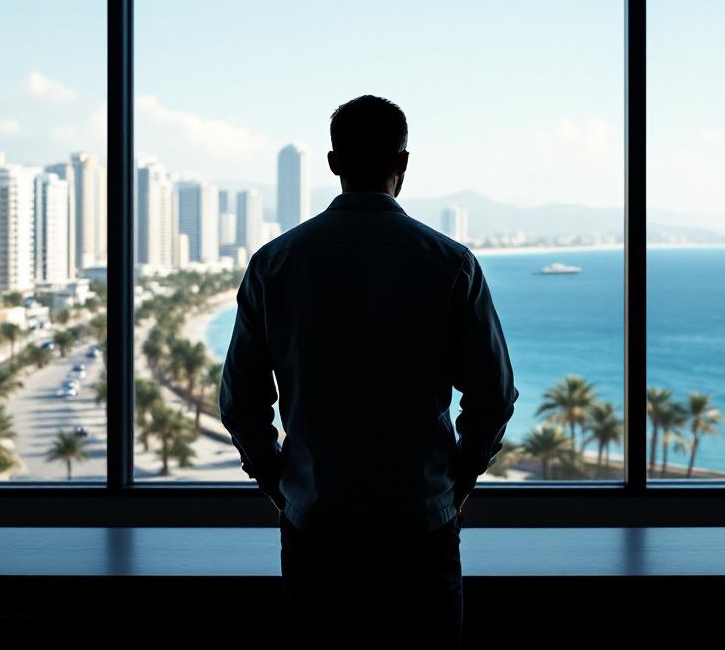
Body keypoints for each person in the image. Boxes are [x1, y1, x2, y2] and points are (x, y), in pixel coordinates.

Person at [219, 94, 519, 649]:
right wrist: (457, 483)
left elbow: (241, 402)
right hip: (420, 530)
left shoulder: (275, 263)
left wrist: (281, 487)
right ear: (402, 164)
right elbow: (493, 396)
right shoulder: (450, 264)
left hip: (317, 529)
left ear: (333, 163)